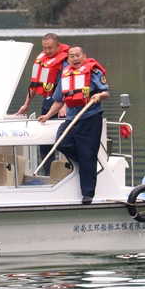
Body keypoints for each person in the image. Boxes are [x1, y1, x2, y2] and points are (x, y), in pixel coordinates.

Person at [39, 46, 109, 205]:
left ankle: (87, 194)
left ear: (84, 56)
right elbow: (59, 100)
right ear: (68, 59)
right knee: (62, 143)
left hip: (90, 118)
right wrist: (48, 115)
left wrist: (98, 95)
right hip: (72, 119)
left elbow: (106, 92)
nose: (75, 59)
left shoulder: (93, 73)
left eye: (78, 55)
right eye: (72, 56)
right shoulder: (65, 75)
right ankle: (87, 161)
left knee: (88, 154)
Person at [16, 33, 70, 118]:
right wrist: (26, 104)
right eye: (44, 48)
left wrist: (65, 106)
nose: (47, 51)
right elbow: (34, 85)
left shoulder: (66, 64)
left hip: (62, 109)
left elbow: (70, 87)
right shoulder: (42, 62)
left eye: (50, 48)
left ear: (58, 45)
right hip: (47, 105)